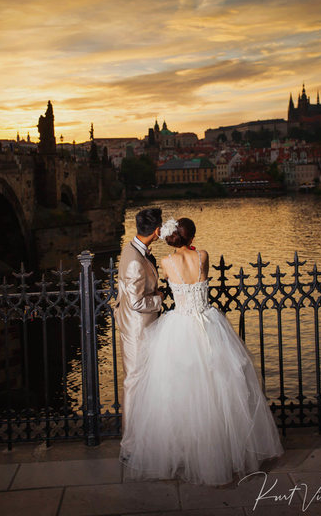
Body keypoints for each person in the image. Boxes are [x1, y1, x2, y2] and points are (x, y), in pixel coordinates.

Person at [119, 217, 284, 486]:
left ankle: (185, 450)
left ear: (172, 236)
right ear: (192, 238)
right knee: (218, 388)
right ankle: (221, 450)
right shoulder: (203, 256)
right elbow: (197, 263)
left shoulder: (166, 263)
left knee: (179, 391)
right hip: (208, 323)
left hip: (179, 325)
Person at [114, 207, 163, 447]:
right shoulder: (134, 260)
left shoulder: (133, 249)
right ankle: (130, 443)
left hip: (138, 327)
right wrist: (159, 299)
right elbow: (136, 302)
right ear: (156, 230)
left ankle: (145, 434)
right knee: (133, 382)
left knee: (143, 381)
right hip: (136, 329)